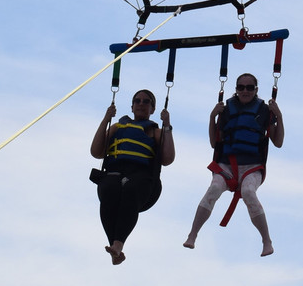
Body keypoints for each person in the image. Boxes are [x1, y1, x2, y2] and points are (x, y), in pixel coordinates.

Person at [183, 73, 284, 257]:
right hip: (227, 165)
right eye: (241, 87)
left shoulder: (264, 111)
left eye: (249, 87)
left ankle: (266, 241)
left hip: (252, 166)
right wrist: (213, 116)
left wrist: (279, 115)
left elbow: (278, 142)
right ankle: (192, 235)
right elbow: (214, 143)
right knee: (213, 189)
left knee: (248, 192)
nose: (245, 91)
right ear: (236, 89)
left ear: (256, 90)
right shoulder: (226, 109)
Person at [90, 89, 174, 265]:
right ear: (132, 106)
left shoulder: (154, 132)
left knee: (130, 189)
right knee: (109, 189)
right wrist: (106, 119)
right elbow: (96, 152)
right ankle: (115, 246)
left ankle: (118, 245)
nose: (141, 104)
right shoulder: (118, 127)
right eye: (137, 101)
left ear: (152, 108)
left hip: (142, 176)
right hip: (114, 172)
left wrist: (166, 125)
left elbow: (167, 159)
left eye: (146, 101)